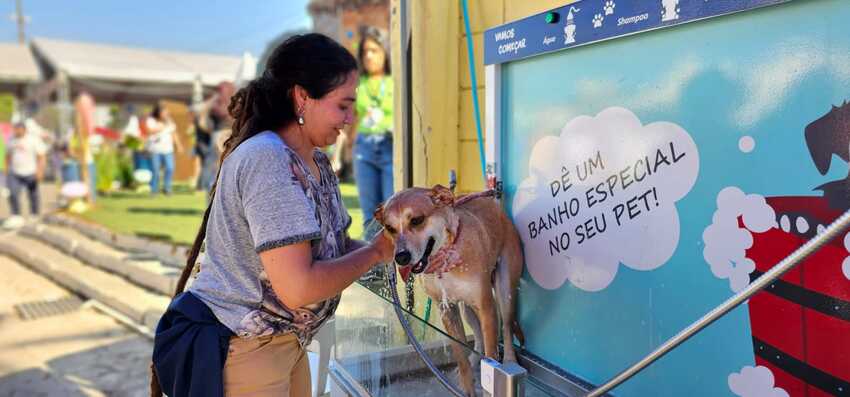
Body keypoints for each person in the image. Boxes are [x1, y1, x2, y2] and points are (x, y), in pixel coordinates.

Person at [151, 33, 394, 397]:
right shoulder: (269, 160)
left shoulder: (317, 160)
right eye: (343, 105)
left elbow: (337, 245)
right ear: (302, 97)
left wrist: (400, 250)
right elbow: (298, 287)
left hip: (286, 344)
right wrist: (377, 252)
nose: (350, 118)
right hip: (246, 351)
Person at [350, 26, 394, 240]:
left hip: (390, 145)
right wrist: (336, 156)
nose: (369, 56)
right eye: (365, 51)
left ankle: (394, 268)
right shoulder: (358, 84)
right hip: (363, 147)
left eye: (374, 50)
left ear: (385, 52)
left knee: (392, 210)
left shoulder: (396, 82)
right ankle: (373, 270)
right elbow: (350, 118)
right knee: (370, 214)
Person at [4, 122, 47, 228]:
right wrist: (6, 169)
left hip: (30, 171)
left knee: (33, 194)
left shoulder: (33, 140)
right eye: (15, 129)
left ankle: (34, 214)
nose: (17, 131)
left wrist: (40, 171)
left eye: (19, 129)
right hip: (15, 172)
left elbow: (41, 156)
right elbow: (8, 155)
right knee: (13, 193)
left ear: (24, 129)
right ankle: (16, 215)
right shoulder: (11, 140)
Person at [146, 104, 182, 195]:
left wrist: (178, 145)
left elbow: (174, 133)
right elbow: (150, 131)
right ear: (159, 113)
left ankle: (167, 188)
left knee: (170, 168)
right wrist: (161, 127)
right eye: (164, 112)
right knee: (155, 170)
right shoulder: (151, 120)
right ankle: (154, 190)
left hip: (168, 150)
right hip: (155, 150)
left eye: (166, 112)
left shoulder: (170, 121)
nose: (166, 114)